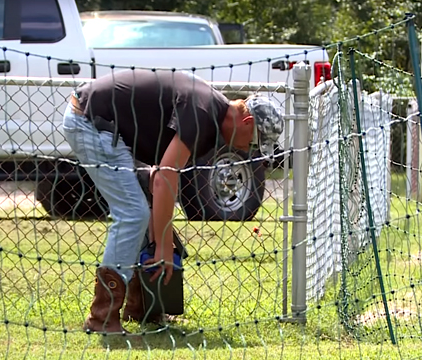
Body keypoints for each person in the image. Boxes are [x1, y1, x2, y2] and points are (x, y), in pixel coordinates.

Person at [61, 68, 284, 334]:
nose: (249, 150)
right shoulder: (203, 112)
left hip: (104, 124)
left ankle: (142, 306)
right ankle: (102, 318)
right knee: (133, 213)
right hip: (91, 121)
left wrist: (159, 243)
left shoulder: (209, 122)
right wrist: (163, 249)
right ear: (247, 122)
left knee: (142, 211)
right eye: (255, 143)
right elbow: (164, 179)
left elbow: (158, 177)